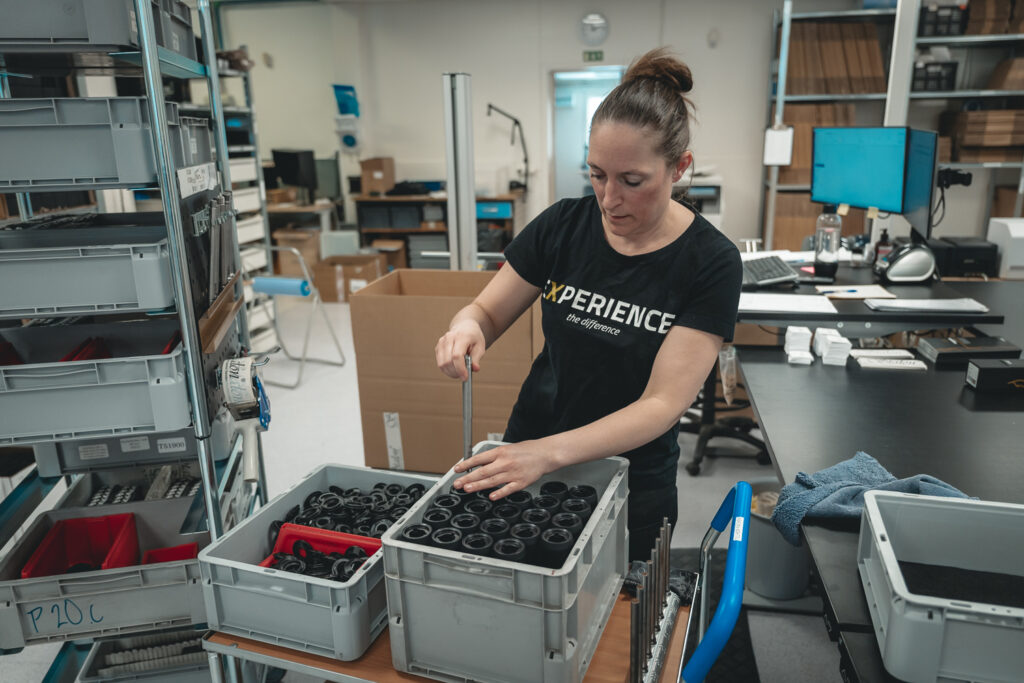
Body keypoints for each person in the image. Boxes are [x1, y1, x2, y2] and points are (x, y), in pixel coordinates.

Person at [434, 48, 742, 561]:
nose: (608, 197)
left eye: (632, 181)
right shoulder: (562, 226)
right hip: (528, 449)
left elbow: (662, 404)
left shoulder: (710, 261)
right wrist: (465, 328)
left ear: (679, 168)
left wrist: (549, 454)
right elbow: (485, 312)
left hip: (629, 478)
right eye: (597, 174)